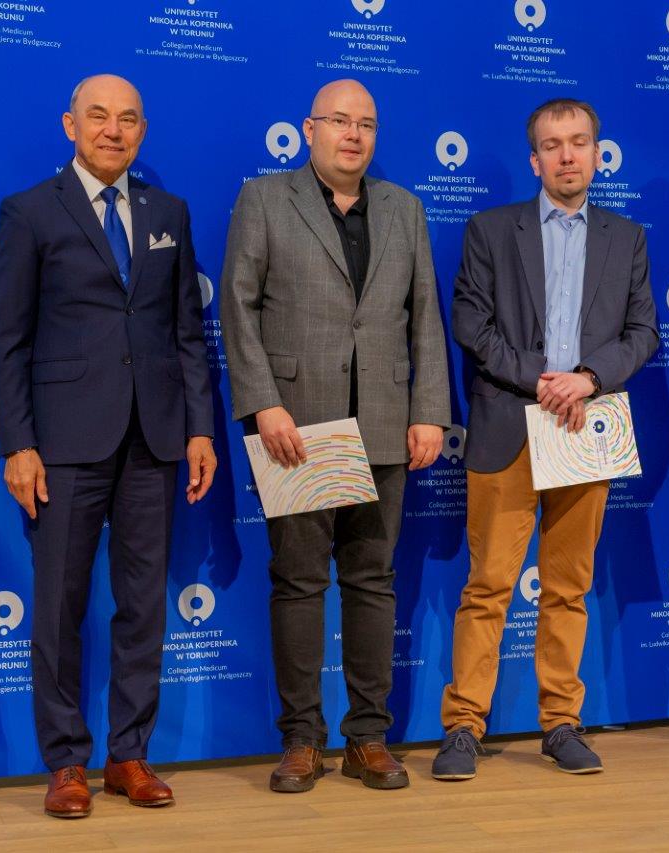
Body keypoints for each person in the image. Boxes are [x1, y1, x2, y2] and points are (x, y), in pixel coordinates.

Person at [0, 74, 217, 818]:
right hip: (62, 444)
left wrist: (200, 427)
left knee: (143, 604)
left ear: (142, 131)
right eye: (98, 117)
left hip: (155, 437)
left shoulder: (168, 212)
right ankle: (65, 762)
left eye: (127, 119)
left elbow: (186, 333)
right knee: (59, 605)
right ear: (70, 125)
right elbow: (7, 342)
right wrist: (18, 445)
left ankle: (128, 755)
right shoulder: (29, 212)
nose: (112, 130)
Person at [220, 80, 450, 792]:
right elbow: (238, 307)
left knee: (372, 582)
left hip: (383, 424)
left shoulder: (404, 208)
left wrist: (429, 410)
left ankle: (368, 737)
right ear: (309, 129)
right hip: (297, 427)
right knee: (297, 583)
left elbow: (425, 317)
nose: (354, 134)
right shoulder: (265, 199)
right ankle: (301, 740)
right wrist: (263, 404)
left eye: (367, 124)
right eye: (340, 121)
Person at [433, 98, 658, 781]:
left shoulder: (627, 237)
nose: (567, 155)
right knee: (488, 587)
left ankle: (561, 723)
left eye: (579, 142)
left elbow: (644, 332)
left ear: (598, 154)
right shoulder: (490, 229)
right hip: (509, 424)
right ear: (534, 160)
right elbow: (470, 323)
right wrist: (542, 379)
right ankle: (463, 726)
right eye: (553, 145)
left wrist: (587, 379)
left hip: (585, 429)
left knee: (568, 587)